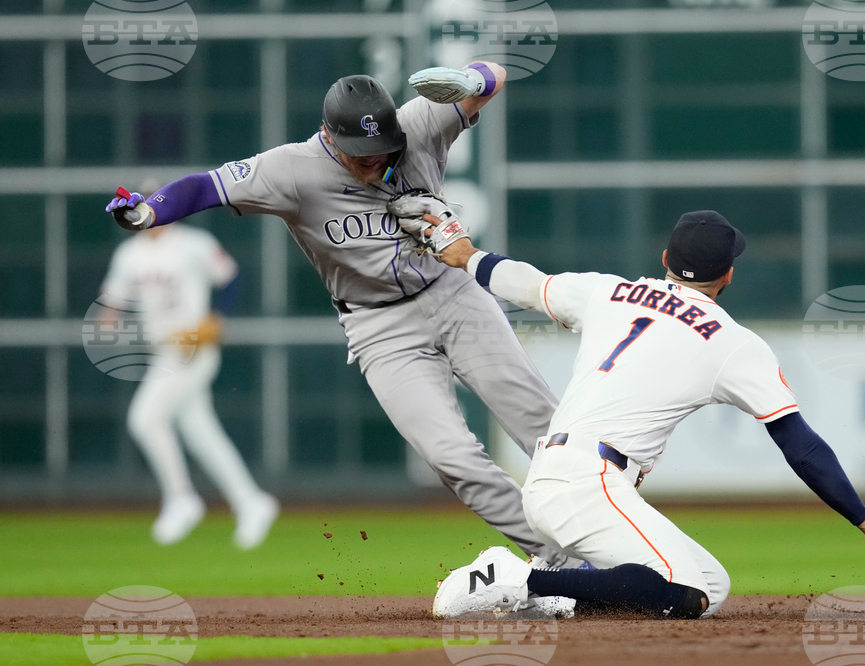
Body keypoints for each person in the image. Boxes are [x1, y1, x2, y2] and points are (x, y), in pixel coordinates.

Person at [105, 65, 578, 567]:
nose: (376, 160)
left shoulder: (416, 124)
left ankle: (616, 539)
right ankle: (562, 560)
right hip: (379, 327)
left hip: (454, 293)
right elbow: (206, 187)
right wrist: (150, 212)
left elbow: (497, 76)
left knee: (545, 427)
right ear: (330, 135)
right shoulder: (291, 169)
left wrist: (472, 80)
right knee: (449, 457)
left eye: (383, 149)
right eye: (362, 153)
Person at [400, 203, 865, 619]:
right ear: (728, 275)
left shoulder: (608, 292)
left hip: (555, 472)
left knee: (712, 583)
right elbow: (800, 444)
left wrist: (465, 254)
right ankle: (517, 581)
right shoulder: (733, 343)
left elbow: (521, 281)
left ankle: (556, 600)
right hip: (591, 485)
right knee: (689, 591)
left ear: (665, 260)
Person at [99, 183, 279, 548]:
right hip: (161, 350)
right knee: (201, 433)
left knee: (145, 419)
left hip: (192, 349)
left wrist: (215, 319)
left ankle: (181, 497)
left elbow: (232, 280)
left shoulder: (193, 243)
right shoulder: (128, 254)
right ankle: (251, 501)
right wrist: (107, 319)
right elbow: (112, 305)